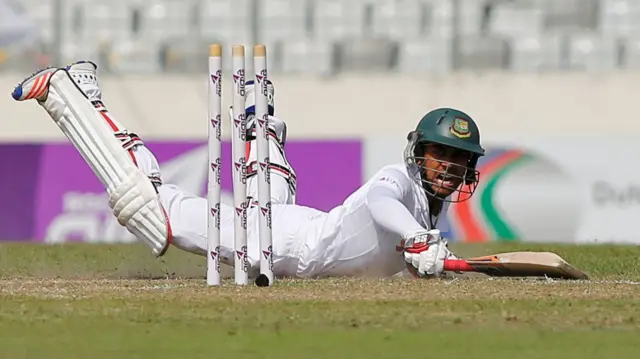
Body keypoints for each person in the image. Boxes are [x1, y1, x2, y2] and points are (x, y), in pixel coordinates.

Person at [11, 61, 485, 279]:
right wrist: (417, 240)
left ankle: (259, 118)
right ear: (417, 153)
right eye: (440, 155)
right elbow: (382, 204)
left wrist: (431, 259)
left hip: (300, 232)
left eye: (460, 160)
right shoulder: (398, 184)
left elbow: (385, 258)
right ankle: (74, 95)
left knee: (273, 201)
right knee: (154, 210)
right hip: (280, 247)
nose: (449, 167)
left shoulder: (427, 210)